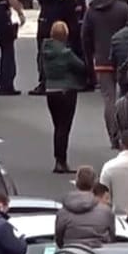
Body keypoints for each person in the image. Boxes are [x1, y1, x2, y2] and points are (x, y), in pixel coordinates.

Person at [39, 20, 91, 173]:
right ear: (65, 35)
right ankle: (61, 160)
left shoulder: (45, 51)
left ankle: (58, 159)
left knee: (57, 126)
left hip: (51, 90)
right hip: (66, 90)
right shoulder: (66, 53)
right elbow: (81, 67)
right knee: (64, 127)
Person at [83, 0, 128, 139]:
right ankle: (126, 134)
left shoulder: (92, 9)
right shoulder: (123, 8)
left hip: (102, 59)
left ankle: (113, 135)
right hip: (123, 58)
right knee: (124, 96)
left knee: (109, 99)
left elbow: (85, 36)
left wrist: (90, 57)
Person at [56, 165, 116, 246]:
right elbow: (112, 237)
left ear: (76, 182)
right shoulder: (106, 212)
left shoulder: (63, 213)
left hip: (72, 253)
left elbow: (59, 239)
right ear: (94, 183)